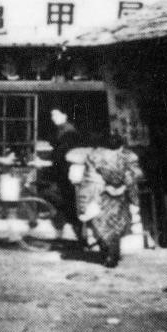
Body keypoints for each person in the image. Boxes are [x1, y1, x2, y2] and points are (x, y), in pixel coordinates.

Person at [80, 136, 144, 268]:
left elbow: (90, 177)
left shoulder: (95, 156)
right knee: (117, 225)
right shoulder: (128, 156)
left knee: (101, 224)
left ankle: (107, 254)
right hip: (120, 196)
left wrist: (102, 187)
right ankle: (113, 254)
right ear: (121, 146)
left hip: (102, 195)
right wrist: (125, 186)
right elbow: (135, 174)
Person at [46, 109, 86, 247]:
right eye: (52, 115)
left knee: (67, 201)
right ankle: (70, 233)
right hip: (64, 172)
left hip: (67, 173)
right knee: (67, 201)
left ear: (65, 115)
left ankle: (76, 234)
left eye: (57, 115)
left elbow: (62, 153)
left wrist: (52, 159)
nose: (53, 118)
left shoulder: (68, 132)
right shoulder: (62, 130)